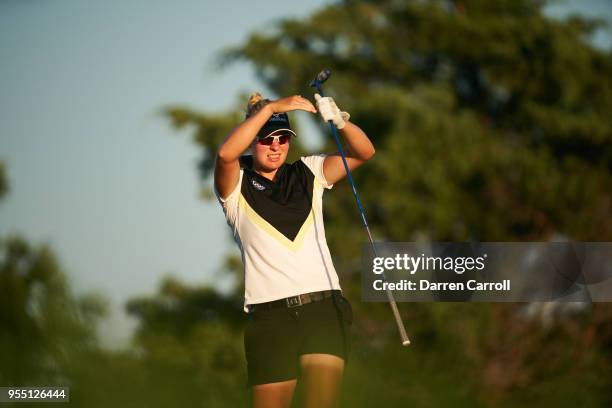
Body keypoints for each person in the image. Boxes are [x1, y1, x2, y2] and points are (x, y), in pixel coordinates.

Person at [214, 91, 375, 408]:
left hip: (323, 309)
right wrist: (270, 109)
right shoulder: (235, 184)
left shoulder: (308, 172)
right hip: (269, 318)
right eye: (266, 139)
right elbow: (224, 155)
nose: (275, 146)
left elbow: (363, 152)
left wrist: (341, 122)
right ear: (252, 140)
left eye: (283, 138)